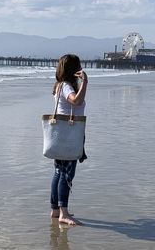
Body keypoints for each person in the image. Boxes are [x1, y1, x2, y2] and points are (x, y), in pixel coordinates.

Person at [50, 54, 88, 226]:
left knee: (59, 172)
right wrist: (85, 82)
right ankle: (63, 213)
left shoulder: (60, 85)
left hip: (61, 135)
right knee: (66, 174)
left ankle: (56, 210)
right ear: (73, 69)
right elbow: (76, 100)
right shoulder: (66, 87)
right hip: (69, 135)